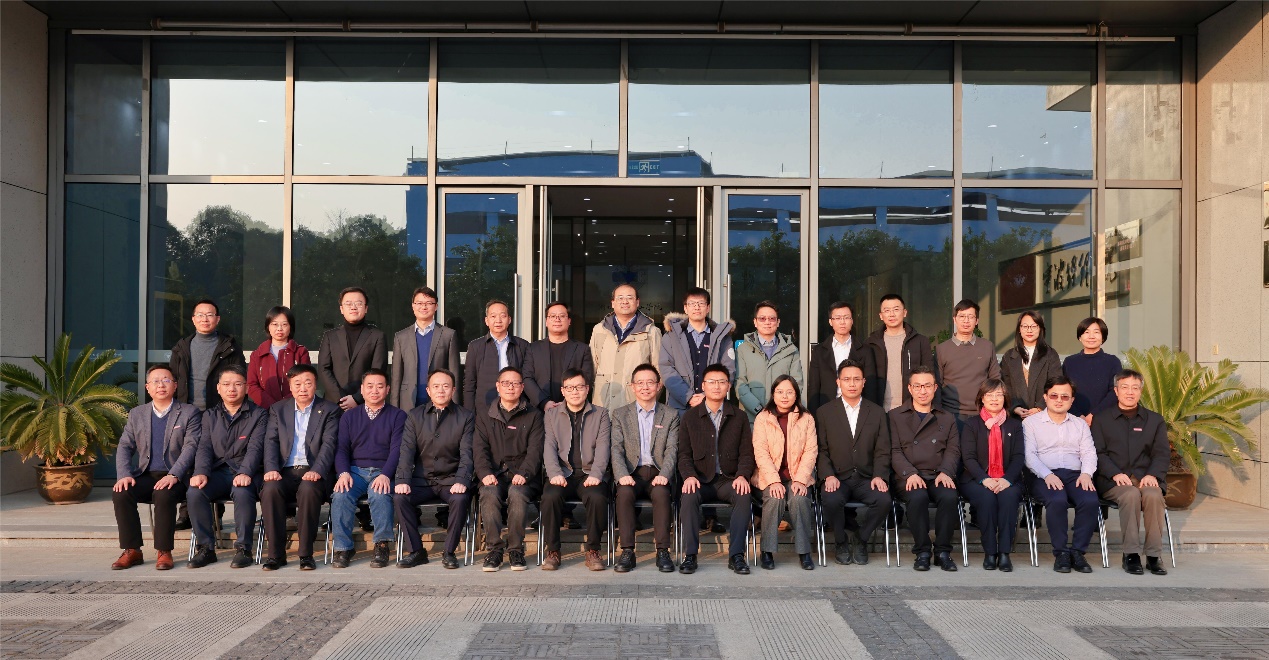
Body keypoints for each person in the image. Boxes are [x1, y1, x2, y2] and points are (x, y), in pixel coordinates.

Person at [110, 365, 202, 571]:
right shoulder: (137, 414)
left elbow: (191, 447)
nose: (161, 385)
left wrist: (174, 474)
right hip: (146, 473)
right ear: (148, 387)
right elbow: (125, 446)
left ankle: (164, 550)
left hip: (177, 476)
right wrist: (124, 474)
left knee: (164, 493)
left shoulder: (189, 412)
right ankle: (132, 550)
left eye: (166, 380)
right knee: (121, 492)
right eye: (156, 381)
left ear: (175, 386)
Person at [186, 364, 269, 569]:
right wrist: (201, 472)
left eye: (237, 384)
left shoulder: (259, 414)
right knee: (195, 491)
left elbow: (256, 448)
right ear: (218, 388)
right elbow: (204, 447)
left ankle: (243, 549)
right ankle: (206, 549)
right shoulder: (209, 415)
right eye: (226, 384)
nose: (232, 389)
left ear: (246, 388)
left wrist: (246, 472)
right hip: (219, 471)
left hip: (247, 471)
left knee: (242, 491)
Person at [258, 364, 340, 571]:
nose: (303, 388)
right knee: (270, 490)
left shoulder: (329, 410)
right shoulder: (278, 409)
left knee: (308, 490)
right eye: (297, 384)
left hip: (313, 471)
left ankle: (306, 554)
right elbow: (271, 441)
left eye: (308, 383)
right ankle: (276, 555)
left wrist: (317, 470)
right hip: (284, 470)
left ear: (315, 385)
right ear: (290, 386)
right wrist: (271, 468)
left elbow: (329, 445)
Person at [677, 364, 756, 575]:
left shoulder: (738, 416)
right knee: (688, 496)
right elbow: (683, 455)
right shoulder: (690, 417)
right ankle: (690, 555)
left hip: (728, 479)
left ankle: (736, 555)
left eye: (722, 382)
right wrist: (689, 476)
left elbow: (747, 454)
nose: (717, 386)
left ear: (728, 386)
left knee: (743, 495)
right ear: (703, 386)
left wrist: (742, 476)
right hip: (700, 479)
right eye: (711, 382)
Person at [393, 369, 474, 570]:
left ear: (453, 390)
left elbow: (467, 454)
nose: (441, 390)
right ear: (428, 391)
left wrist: (462, 480)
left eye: (446, 386)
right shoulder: (414, 416)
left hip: (451, 479)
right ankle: (416, 551)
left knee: (460, 499)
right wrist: (402, 480)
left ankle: (449, 552)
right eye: (436, 386)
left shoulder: (465, 417)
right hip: (422, 480)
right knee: (400, 498)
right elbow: (406, 452)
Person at [1092, 369, 1170, 576]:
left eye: (1135, 388)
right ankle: (1131, 554)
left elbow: (1162, 453)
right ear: (1116, 391)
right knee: (1130, 494)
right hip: (1113, 481)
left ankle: (1153, 555)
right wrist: (1114, 473)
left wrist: (1153, 475)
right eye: (1125, 387)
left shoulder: (1154, 420)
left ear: (1141, 391)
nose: (1130, 392)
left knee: (1153, 495)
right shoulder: (1102, 419)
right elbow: (1098, 453)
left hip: (1145, 477)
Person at [816, 359, 892, 567]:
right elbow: (821, 450)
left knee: (884, 500)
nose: (852, 384)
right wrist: (828, 475)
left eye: (856, 379)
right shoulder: (825, 412)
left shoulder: (876, 412)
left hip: (866, 477)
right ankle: (841, 541)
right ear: (838, 382)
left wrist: (879, 475)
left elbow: (883, 449)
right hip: (837, 477)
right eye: (847, 379)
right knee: (830, 500)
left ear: (863, 382)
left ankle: (861, 538)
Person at [329, 369, 407, 569]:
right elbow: (341, 449)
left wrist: (386, 474)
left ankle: (381, 545)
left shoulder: (398, 416)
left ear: (387, 389)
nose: (374, 391)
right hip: (355, 471)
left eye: (380, 386)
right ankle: (343, 548)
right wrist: (343, 472)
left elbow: (397, 450)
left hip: (383, 470)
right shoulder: (349, 416)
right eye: (370, 386)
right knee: (341, 494)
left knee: (379, 494)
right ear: (362, 390)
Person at [1024, 376, 1099, 574]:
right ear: (1045, 397)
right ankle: (1061, 553)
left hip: (1075, 474)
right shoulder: (1031, 423)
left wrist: (1086, 474)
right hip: (1042, 475)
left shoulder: (1079, 424)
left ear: (1072, 400)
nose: (1059, 400)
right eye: (1054, 395)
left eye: (1065, 397)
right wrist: (1047, 475)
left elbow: (1089, 453)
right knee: (1057, 500)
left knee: (1090, 500)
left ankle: (1078, 552)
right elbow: (1029, 456)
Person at [473, 366, 544, 572]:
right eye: (506, 383)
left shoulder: (534, 415)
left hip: (523, 476)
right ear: (498, 386)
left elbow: (535, 451)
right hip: (493, 475)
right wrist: (485, 473)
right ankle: (494, 550)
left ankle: (515, 549)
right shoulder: (485, 415)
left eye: (515, 383)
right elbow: (479, 449)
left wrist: (524, 473)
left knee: (517, 493)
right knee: (488, 492)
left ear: (522, 387)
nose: (510, 387)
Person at [890, 365, 960, 572]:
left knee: (949, 496)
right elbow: (893, 450)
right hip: (908, 475)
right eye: (918, 386)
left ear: (935, 388)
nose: (923, 391)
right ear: (910, 388)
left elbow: (953, 449)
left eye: (927, 386)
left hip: (938, 473)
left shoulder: (947, 417)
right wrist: (909, 473)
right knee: (917, 497)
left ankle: (943, 552)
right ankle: (922, 551)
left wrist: (946, 471)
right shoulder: (895, 416)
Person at [540, 369, 611, 571]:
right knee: (550, 497)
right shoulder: (551, 415)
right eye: (570, 388)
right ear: (563, 391)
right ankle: (553, 551)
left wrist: (596, 474)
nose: (574, 392)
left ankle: (593, 550)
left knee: (597, 497)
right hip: (562, 473)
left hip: (589, 474)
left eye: (579, 387)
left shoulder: (601, 414)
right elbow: (549, 446)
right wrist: (554, 473)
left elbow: (604, 447)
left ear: (587, 389)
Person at [610, 363, 679, 574]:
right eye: (640, 383)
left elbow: (672, 449)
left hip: (658, 472)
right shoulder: (620, 414)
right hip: (631, 472)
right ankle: (627, 551)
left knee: (661, 494)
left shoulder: (670, 414)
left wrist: (665, 474)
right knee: (624, 494)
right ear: (632, 386)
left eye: (650, 382)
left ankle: (663, 551)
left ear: (659, 386)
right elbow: (616, 449)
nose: (645, 387)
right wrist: (622, 474)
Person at [751, 375, 818, 571]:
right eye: (780, 392)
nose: (785, 396)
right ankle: (767, 551)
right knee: (775, 498)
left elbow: (811, 451)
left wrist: (801, 479)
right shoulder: (763, 418)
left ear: (796, 394)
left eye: (789, 392)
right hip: (769, 477)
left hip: (797, 477)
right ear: (773, 394)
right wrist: (774, 481)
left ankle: (804, 552)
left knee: (799, 499)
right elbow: (760, 452)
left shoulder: (806, 418)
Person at [958, 379, 1025, 572]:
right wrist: (985, 479)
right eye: (989, 395)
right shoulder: (971, 424)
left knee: (1009, 497)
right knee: (986, 498)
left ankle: (1004, 552)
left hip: (1007, 478)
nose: (994, 399)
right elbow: (968, 458)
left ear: (1005, 398)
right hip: (976, 478)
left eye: (999, 395)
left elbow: (1019, 457)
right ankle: (990, 552)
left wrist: (1007, 479)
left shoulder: (1015, 425)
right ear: (982, 398)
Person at [660, 287, 737, 414]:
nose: (697, 307)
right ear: (685, 308)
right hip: (679, 406)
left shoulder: (722, 337)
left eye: (701, 303)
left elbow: (729, 369)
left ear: (708, 307)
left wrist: (707, 396)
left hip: (713, 405)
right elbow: (666, 369)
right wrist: (688, 396)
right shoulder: (671, 336)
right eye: (692, 304)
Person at [591, 284, 663, 411]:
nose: (625, 301)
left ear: (637, 302)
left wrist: (648, 403)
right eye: (620, 298)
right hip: (602, 404)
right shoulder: (599, 330)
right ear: (613, 303)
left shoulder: (651, 332)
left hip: (636, 405)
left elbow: (659, 371)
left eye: (630, 298)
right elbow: (592, 366)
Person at [390, 286, 461, 411]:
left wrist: (454, 408)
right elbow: (396, 376)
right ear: (413, 306)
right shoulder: (401, 337)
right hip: (408, 401)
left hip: (440, 401)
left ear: (436, 306)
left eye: (429, 303)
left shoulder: (448, 335)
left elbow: (454, 373)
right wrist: (394, 408)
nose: (424, 307)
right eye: (419, 303)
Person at [318, 287, 389, 412]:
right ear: (341, 309)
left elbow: (378, 371)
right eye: (348, 303)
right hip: (334, 405)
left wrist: (357, 398)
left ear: (366, 308)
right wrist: (340, 398)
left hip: (365, 404)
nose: (353, 307)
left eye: (358, 303)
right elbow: (324, 369)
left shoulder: (377, 336)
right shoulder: (330, 336)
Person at [735, 301, 805, 424]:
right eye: (762, 318)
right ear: (755, 322)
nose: (767, 322)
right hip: (751, 418)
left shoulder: (791, 350)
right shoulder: (743, 350)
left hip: (783, 418)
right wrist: (759, 410)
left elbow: (796, 383)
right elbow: (740, 384)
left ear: (778, 322)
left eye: (772, 318)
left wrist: (779, 410)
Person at [169, 298, 245, 411]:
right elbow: (172, 380)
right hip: (186, 411)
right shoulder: (181, 348)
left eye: (209, 315)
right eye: (200, 315)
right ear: (193, 319)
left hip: (220, 412)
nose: (204, 319)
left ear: (217, 319)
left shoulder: (230, 347)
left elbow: (240, 380)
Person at [935, 299, 1000, 425]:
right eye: (962, 316)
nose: (966, 321)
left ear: (977, 321)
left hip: (982, 413)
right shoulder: (941, 349)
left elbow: (995, 380)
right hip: (951, 413)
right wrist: (939, 413)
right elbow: (937, 384)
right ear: (954, 319)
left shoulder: (987, 346)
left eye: (970, 317)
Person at [866, 294, 934, 412]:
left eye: (896, 309)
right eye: (887, 310)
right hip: (879, 410)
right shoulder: (871, 343)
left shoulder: (920, 341)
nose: (891, 314)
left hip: (912, 409)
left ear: (905, 312)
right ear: (881, 316)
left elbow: (930, 376)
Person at [524, 301, 595, 411]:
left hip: (573, 410)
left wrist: (569, 403)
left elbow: (587, 380)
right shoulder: (533, 348)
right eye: (553, 316)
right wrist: (543, 402)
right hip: (540, 411)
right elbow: (527, 378)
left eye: (562, 316)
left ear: (569, 321)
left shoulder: (582, 349)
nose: (557, 319)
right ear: (546, 321)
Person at [807, 301, 876, 413]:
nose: (842, 322)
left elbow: (871, 387)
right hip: (827, 409)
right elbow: (814, 388)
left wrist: (870, 413)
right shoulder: (819, 351)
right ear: (830, 322)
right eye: (838, 318)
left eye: (846, 317)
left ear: (852, 321)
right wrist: (813, 415)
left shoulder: (865, 350)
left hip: (857, 409)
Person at [463, 300, 530, 412]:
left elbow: (528, 379)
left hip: (516, 408)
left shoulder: (522, 345)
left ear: (509, 320)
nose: (498, 320)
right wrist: (469, 413)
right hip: (485, 408)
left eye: (503, 316)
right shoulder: (475, 346)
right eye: (493, 316)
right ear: (486, 321)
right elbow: (469, 383)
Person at [999, 311, 1063, 420]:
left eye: (1034, 326)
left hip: (1044, 416)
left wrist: (1040, 407)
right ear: (1019, 329)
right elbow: (1005, 386)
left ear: (1040, 329)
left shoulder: (1050, 355)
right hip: (1015, 417)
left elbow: (1056, 384)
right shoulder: (1009, 356)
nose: (1029, 330)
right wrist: (1014, 407)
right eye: (1025, 326)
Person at [247, 306, 311, 408]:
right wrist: (272, 406)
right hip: (264, 409)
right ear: (268, 327)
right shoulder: (257, 355)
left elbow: (305, 382)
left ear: (290, 327)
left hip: (293, 408)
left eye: (284, 324)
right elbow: (252, 385)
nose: (279, 329)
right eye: (275, 324)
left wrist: (283, 405)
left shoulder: (300, 352)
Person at [1062, 317, 1121, 425]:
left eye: (1096, 332)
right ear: (1080, 337)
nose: (1091, 336)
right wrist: (1078, 415)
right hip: (1073, 420)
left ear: (1103, 337)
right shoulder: (1069, 362)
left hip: (1104, 420)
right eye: (1086, 332)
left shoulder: (1112, 361)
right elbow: (1063, 391)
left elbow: (1115, 391)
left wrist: (1093, 415)